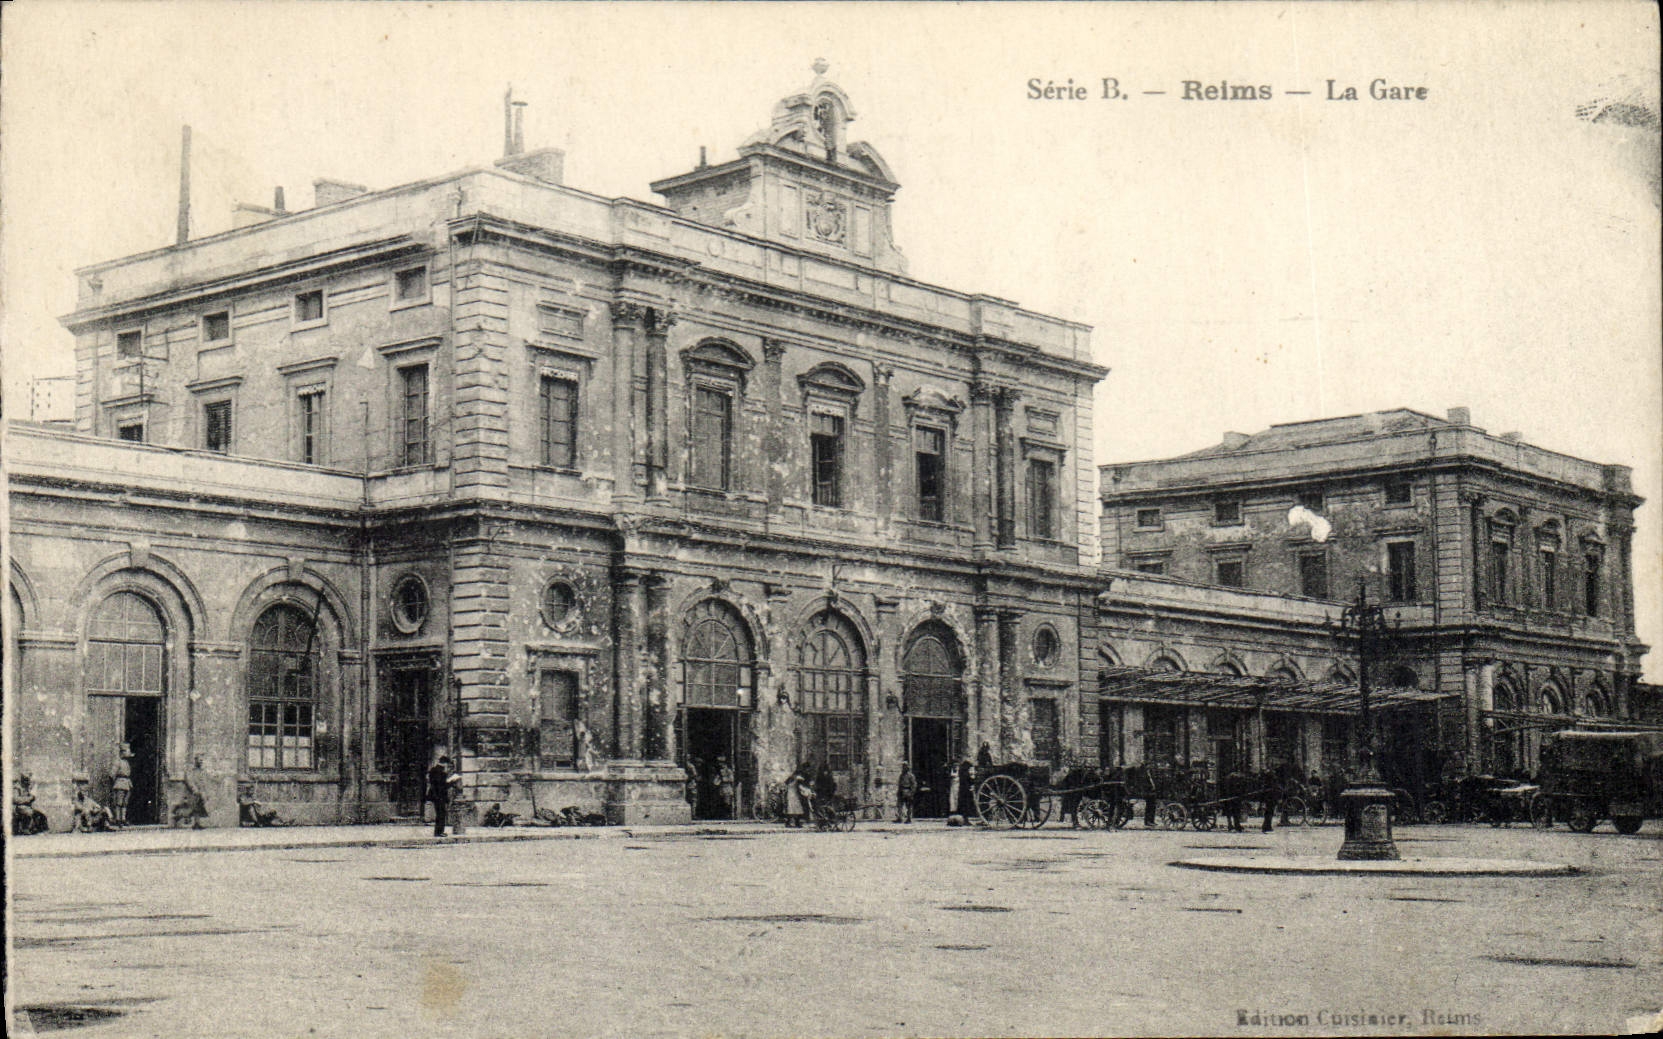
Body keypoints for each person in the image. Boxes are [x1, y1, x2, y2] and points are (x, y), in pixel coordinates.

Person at [172, 755, 209, 829]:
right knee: (190, 808)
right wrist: (194, 789)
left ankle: (197, 824)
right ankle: (177, 816)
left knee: (197, 808)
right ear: (196, 760)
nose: (201, 762)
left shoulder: (201, 771)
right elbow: (189, 780)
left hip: (199, 793)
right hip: (191, 793)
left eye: (202, 760)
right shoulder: (190, 770)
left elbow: (203, 782)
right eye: (200, 760)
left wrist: (204, 792)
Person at [427, 754, 455, 837]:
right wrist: (451, 782)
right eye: (447, 764)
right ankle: (439, 832)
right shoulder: (441, 772)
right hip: (440, 795)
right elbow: (442, 785)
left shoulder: (433, 770)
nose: (447, 766)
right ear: (444, 763)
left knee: (439, 813)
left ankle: (438, 831)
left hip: (435, 795)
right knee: (441, 814)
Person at [111, 742, 134, 827]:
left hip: (127, 784)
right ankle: (118, 819)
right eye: (127, 751)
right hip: (120, 783)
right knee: (119, 803)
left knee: (125, 803)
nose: (128, 753)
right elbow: (112, 774)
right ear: (123, 752)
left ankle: (123, 819)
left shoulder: (126, 762)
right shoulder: (118, 762)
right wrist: (116, 783)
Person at [717, 755, 737, 820]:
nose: (720, 764)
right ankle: (723, 815)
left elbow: (732, 779)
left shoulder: (728, 771)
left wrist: (724, 779)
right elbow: (716, 780)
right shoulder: (720, 771)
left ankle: (728, 816)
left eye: (721, 763)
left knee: (727, 802)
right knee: (722, 802)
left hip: (727, 788)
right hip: (721, 788)